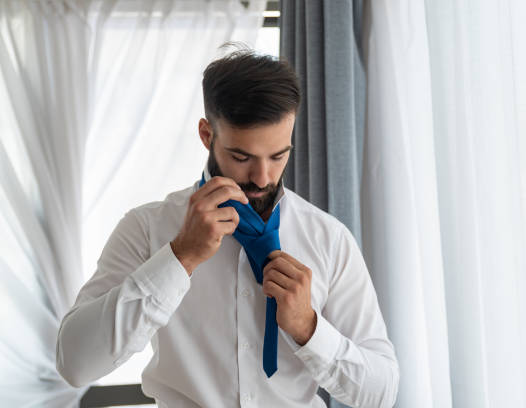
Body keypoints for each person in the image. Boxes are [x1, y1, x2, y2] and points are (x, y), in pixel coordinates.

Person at [56, 48, 399, 408]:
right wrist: (179, 258)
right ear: (207, 135)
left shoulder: (328, 238)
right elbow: (75, 364)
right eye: (241, 157)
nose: (262, 177)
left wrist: (308, 328)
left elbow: (380, 394)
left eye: (278, 155)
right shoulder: (146, 228)